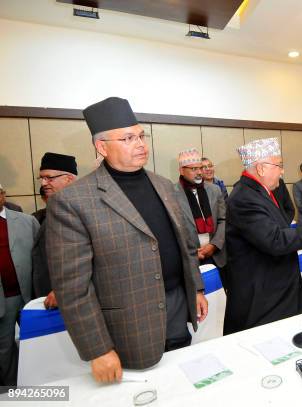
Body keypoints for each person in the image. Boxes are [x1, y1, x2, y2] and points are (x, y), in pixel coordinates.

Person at [46, 97, 207, 383]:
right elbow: (72, 287)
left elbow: (185, 244)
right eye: (128, 138)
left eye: (142, 135)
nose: (141, 144)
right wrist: (98, 350)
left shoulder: (164, 186)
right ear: (102, 147)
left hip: (177, 305)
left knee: (180, 383)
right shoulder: (73, 201)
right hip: (127, 322)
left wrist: (195, 289)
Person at [224, 137, 302, 334]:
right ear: (261, 168)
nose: (282, 171)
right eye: (279, 165)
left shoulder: (261, 191)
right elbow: (274, 240)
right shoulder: (244, 198)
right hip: (262, 298)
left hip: (276, 291)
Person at [0, 183, 39, 386]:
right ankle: (12, 392)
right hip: (2, 302)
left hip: (30, 298)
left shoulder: (27, 221)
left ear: (2, 195)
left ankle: (45, 387)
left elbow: (41, 257)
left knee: (39, 344)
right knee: (3, 351)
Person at [31, 153, 78, 309]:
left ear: (69, 179)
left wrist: (65, 289)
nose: (44, 183)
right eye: (41, 178)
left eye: (49, 178)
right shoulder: (52, 210)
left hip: (73, 298)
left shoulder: (83, 210)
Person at [177, 148, 226, 271]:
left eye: (200, 168)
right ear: (182, 170)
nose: (199, 172)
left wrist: (214, 245)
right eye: (193, 169)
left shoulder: (214, 190)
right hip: (191, 259)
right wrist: (192, 252)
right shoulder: (172, 194)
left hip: (216, 255)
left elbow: (223, 219)